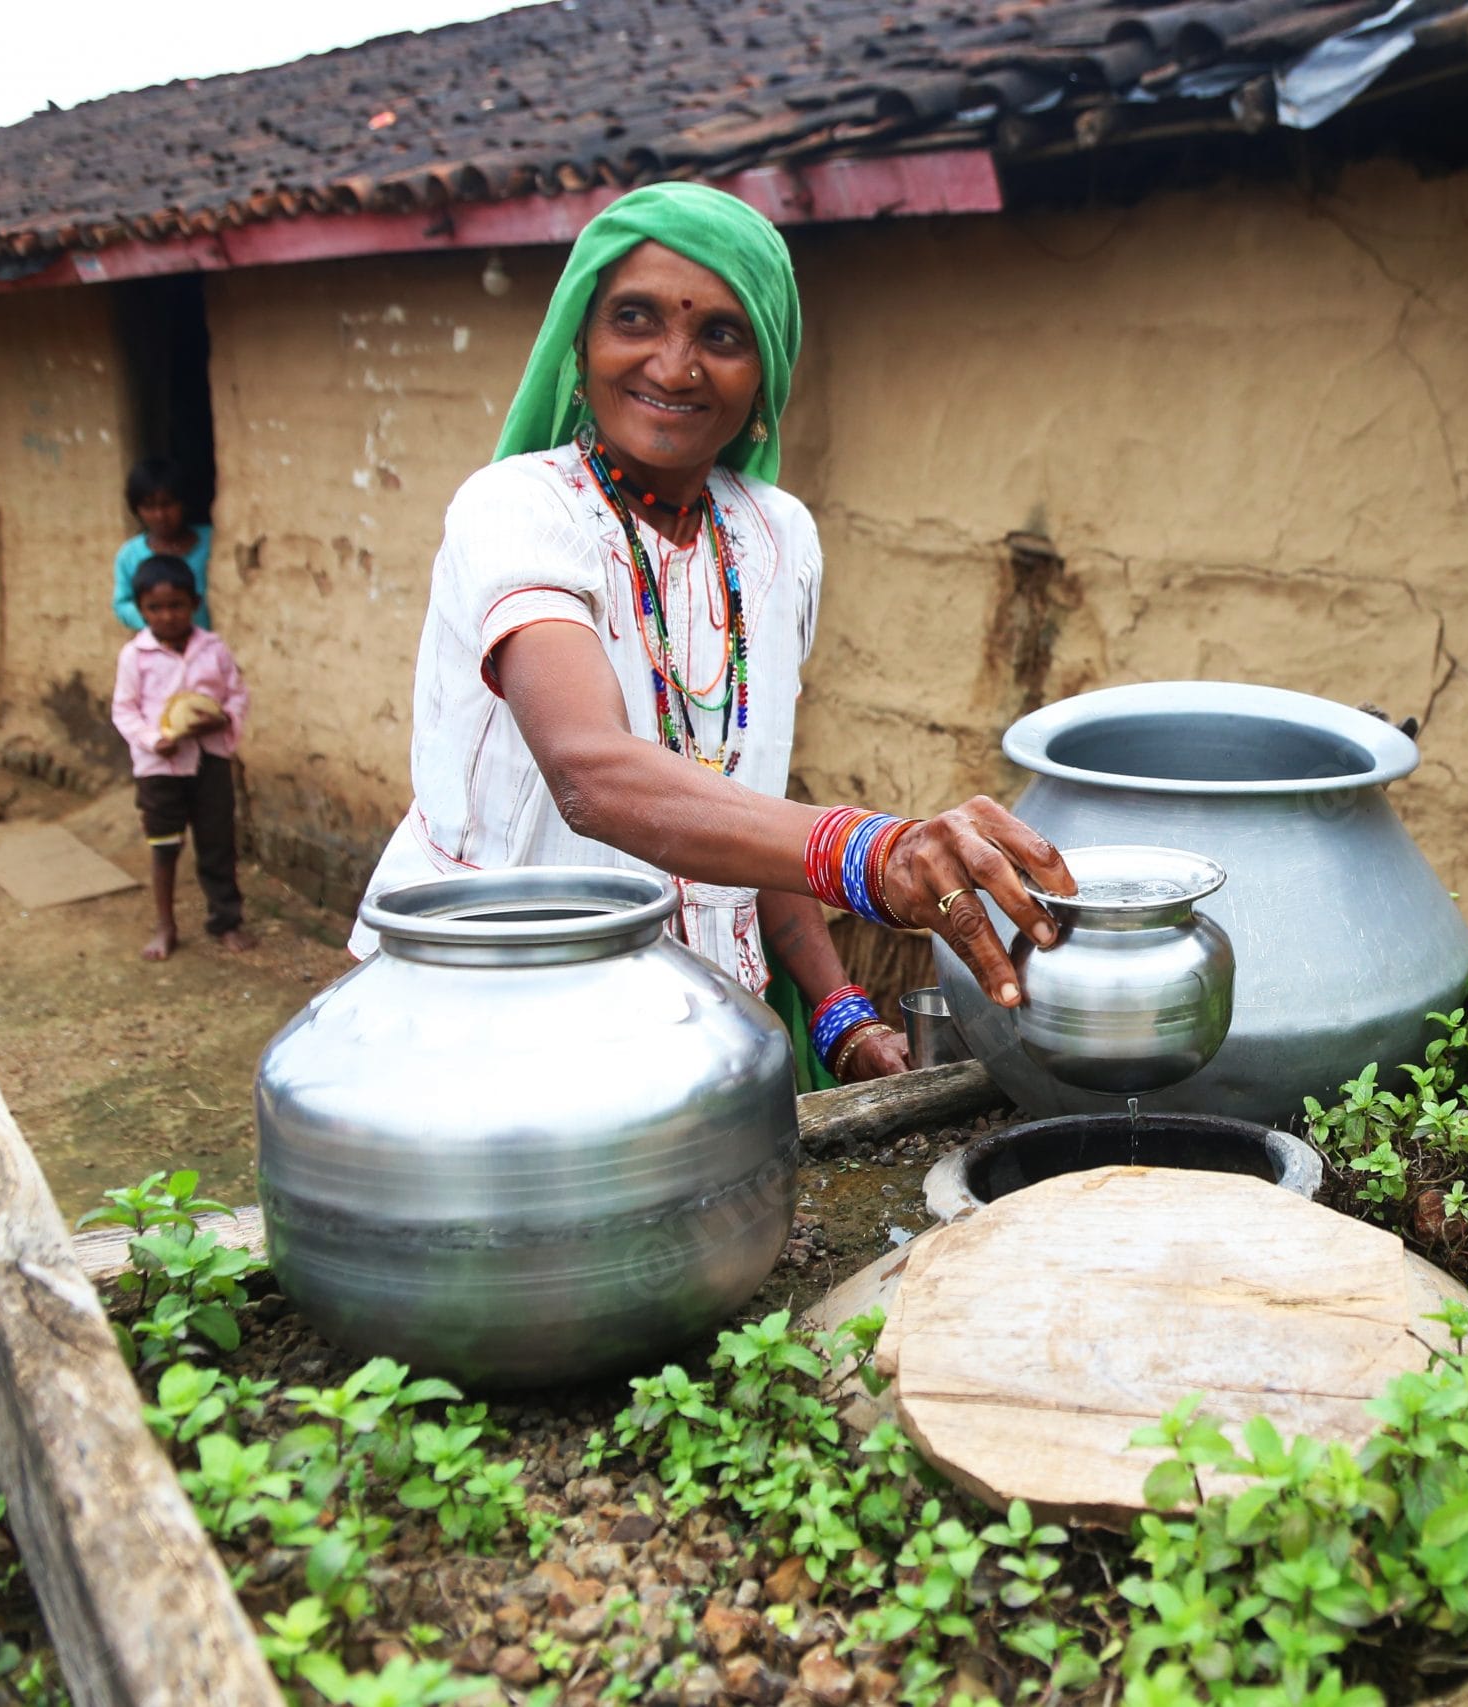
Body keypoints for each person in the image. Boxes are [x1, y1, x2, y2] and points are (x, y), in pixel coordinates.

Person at [348, 183, 1072, 1078]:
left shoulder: (777, 539)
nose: (675, 366)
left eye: (722, 335)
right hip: (487, 1029)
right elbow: (590, 773)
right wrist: (869, 851)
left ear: (766, 368)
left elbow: (742, 796)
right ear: (580, 342)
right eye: (635, 319)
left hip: (702, 1032)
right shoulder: (518, 510)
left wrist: (839, 1012)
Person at [110, 556, 252, 960]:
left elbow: (237, 693)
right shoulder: (134, 656)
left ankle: (226, 920)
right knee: (165, 845)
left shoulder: (214, 648)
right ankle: (165, 924)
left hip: (210, 760)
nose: (167, 615)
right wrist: (154, 739)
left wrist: (223, 718)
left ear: (194, 603)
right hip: (161, 768)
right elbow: (124, 709)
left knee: (217, 842)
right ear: (141, 610)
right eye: (155, 608)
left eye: (176, 605)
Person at [114, 458, 215, 632]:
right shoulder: (130, 555)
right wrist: (158, 621)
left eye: (167, 504)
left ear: (184, 503)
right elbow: (121, 604)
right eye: (148, 506)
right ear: (136, 509)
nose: (159, 515)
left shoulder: (213, 540)